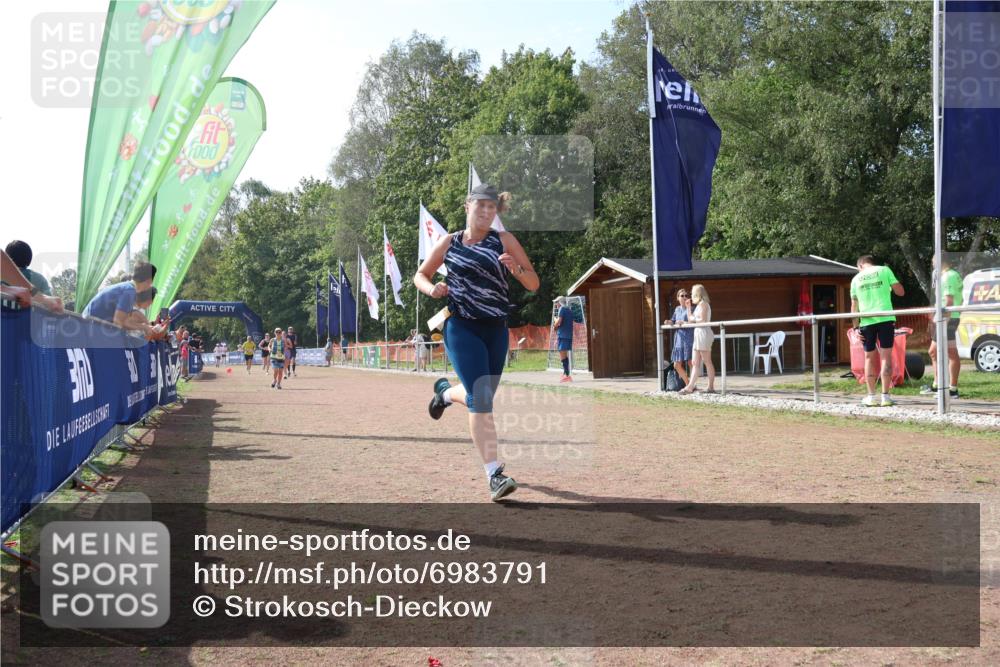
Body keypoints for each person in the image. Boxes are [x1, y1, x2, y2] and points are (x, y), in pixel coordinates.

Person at [414, 183, 539, 502]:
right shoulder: (449, 242)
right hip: (461, 326)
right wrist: (433, 290)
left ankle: (444, 393)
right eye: (481, 205)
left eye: (492, 207)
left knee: (478, 395)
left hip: (495, 328)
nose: (486, 212)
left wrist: (516, 269)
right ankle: (494, 475)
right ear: (467, 206)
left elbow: (533, 283)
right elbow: (421, 275)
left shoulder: (505, 240)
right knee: (481, 399)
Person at [850, 255, 905, 407]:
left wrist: (855, 328)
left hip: (866, 321)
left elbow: (854, 307)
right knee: (886, 356)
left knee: (869, 357)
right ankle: (885, 397)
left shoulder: (856, 279)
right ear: (871, 263)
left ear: (860, 266)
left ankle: (871, 396)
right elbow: (900, 292)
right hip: (886, 319)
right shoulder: (884, 270)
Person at [81, 262, 162, 335]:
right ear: (148, 281)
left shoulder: (128, 288)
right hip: (89, 326)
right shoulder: (129, 291)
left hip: (89, 324)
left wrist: (147, 326)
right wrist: (144, 327)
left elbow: (125, 321)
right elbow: (119, 322)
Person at [921, 259, 963, 399]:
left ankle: (951, 389)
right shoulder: (949, 275)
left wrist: (945, 319)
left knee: (949, 353)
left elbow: (949, 300)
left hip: (947, 318)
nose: (932, 264)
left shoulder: (948, 276)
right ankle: (938, 385)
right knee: (934, 352)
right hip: (946, 317)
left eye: (933, 261)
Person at [679, 284, 715, 394]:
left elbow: (703, 320)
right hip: (698, 333)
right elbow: (691, 319)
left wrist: (693, 319)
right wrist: (688, 307)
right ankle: (690, 387)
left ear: (697, 294)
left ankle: (710, 387)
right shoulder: (699, 305)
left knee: (707, 361)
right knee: (695, 362)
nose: (690, 295)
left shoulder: (704, 304)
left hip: (704, 333)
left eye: (692, 293)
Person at [666, 288, 693, 387]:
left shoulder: (691, 309)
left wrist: (684, 322)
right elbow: (673, 320)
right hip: (679, 340)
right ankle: (688, 384)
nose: (685, 297)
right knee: (676, 365)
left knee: (691, 362)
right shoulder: (677, 309)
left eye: (686, 295)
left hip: (689, 338)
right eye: (682, 295)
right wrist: (669, 322)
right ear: (678, 298)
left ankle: (691, 385)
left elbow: (692, 321)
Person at [553, 296, 577, 382]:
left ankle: (567, 375)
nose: (556, 304)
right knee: (564, 355)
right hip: (568, 335)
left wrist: (555, 324)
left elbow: (559, 321)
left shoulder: (562, 309)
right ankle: (565, 373)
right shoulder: (569, 310)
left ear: (560, 302)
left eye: (556, 302)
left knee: (562, 356)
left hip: (562, 335)